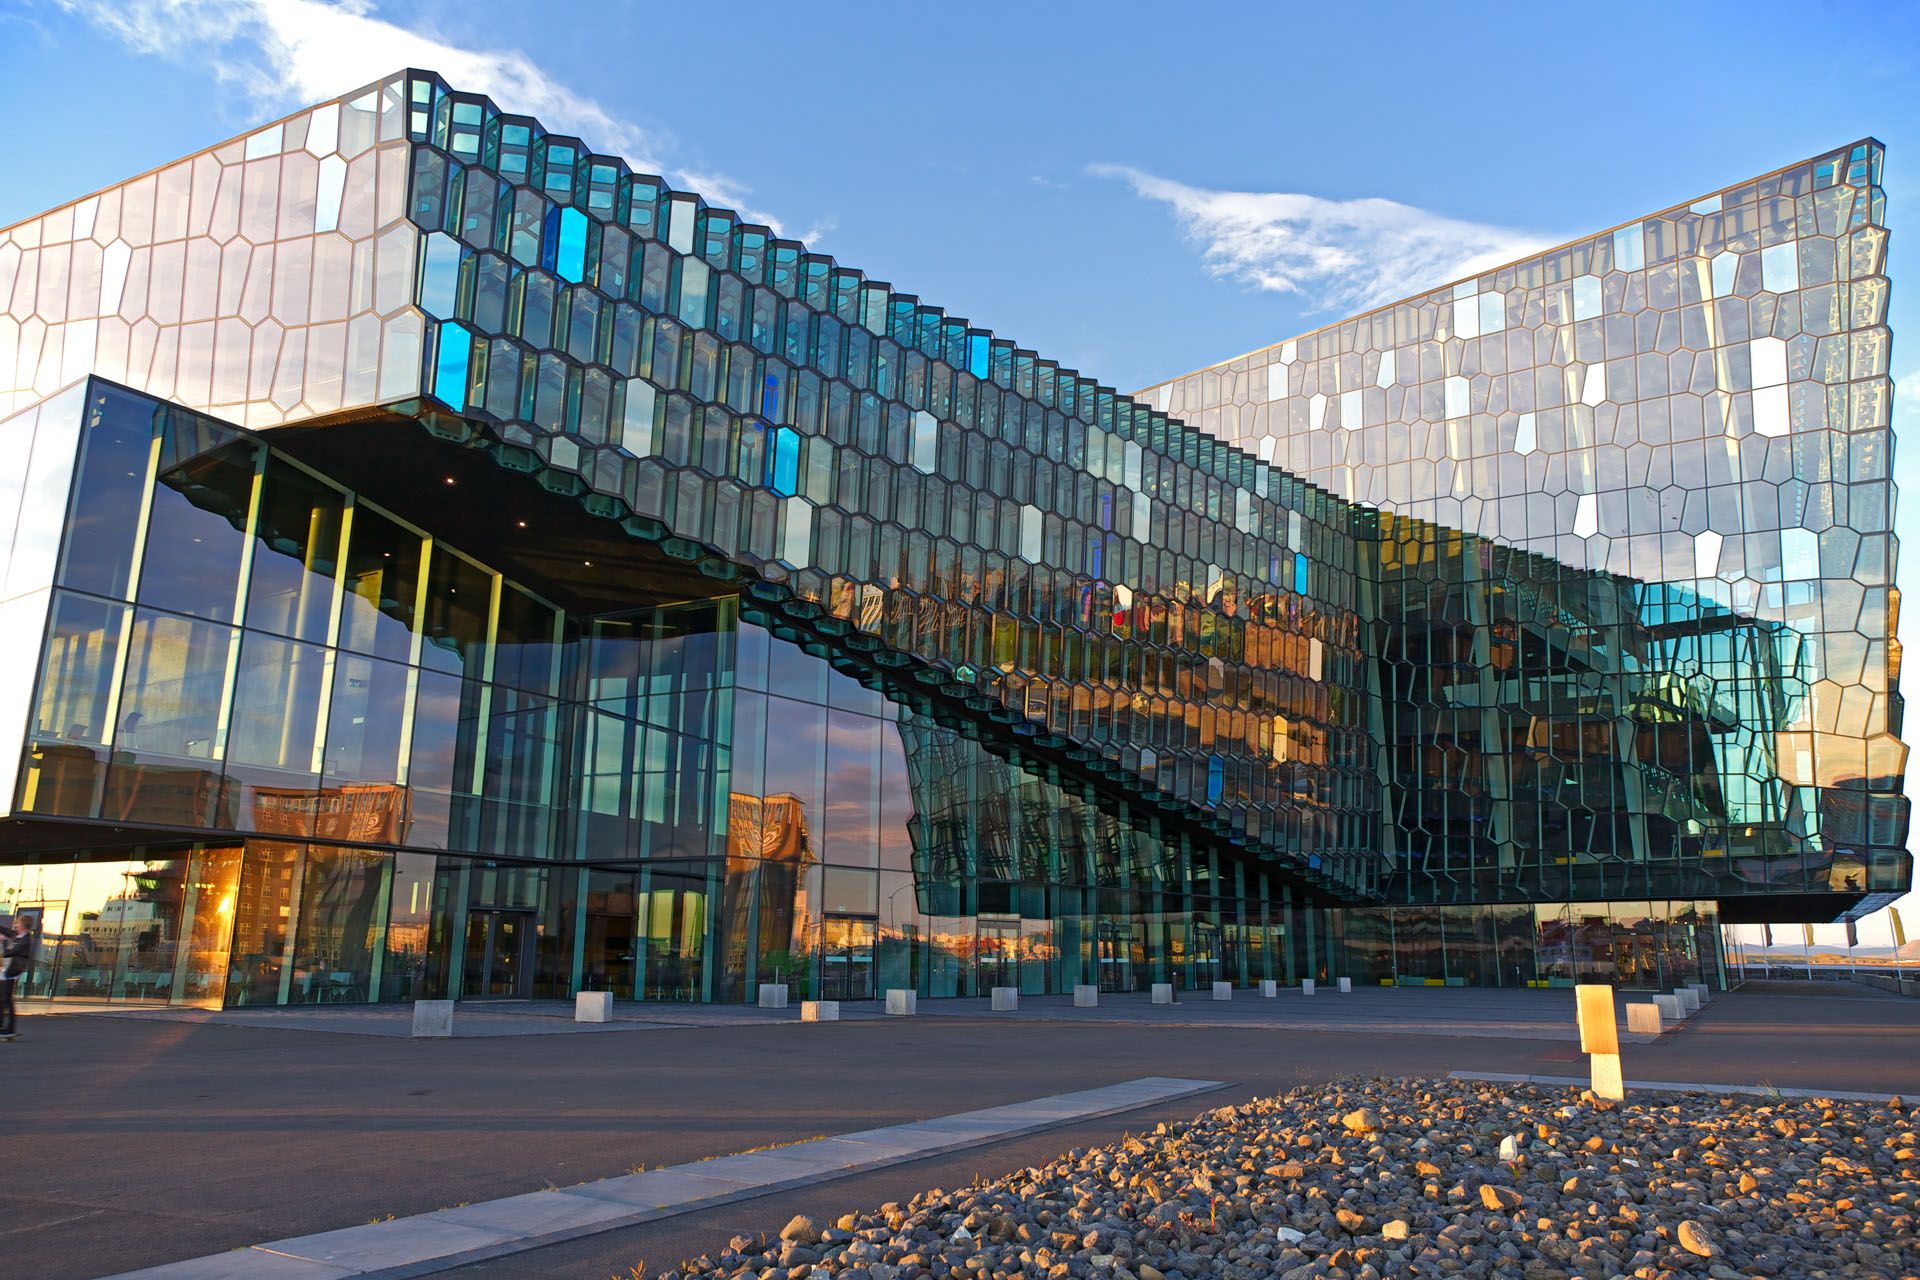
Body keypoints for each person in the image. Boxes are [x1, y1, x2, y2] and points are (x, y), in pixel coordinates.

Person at [0, 916, 30, 1040]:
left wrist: (3, 941)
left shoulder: (25, 940)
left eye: (17, 923)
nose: (15, 925)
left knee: (6, 1000)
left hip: (12, 972)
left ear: (23, 925)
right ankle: (5, 1027)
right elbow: (5, 931)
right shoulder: (16, 935)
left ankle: (10, 1029)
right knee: (4, 999)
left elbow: (9, 952)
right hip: (7, 971)